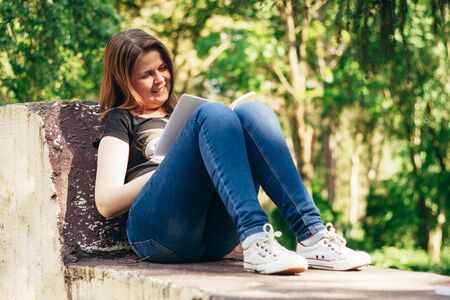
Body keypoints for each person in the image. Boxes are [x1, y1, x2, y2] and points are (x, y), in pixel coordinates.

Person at [94, 28, 371, 275]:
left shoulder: (185, 112)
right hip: (157, 235)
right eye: (146, 74)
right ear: (124, 80)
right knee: (212, 113)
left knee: (252, 112)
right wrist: (166, 169)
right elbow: (106, 202)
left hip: (214, 237)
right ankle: (254, 235)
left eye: (162, 68)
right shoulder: (122, 119)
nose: (160, 79)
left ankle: (311, 235)